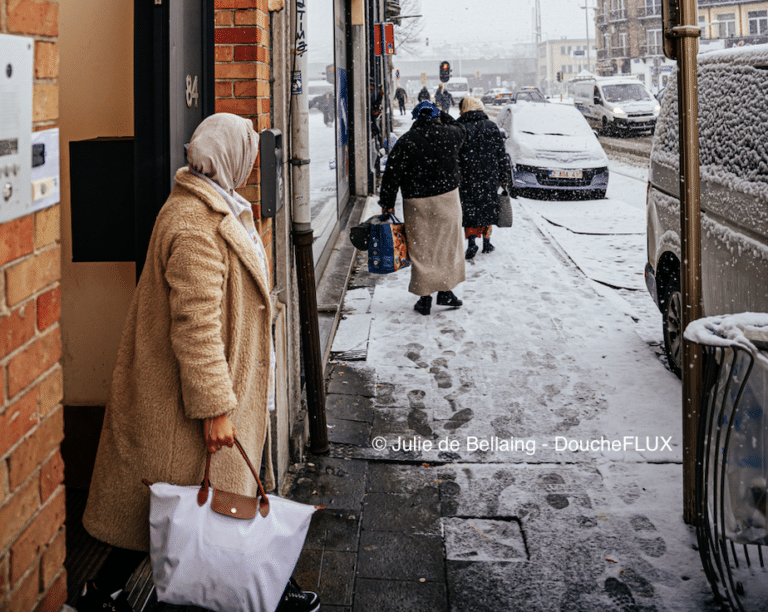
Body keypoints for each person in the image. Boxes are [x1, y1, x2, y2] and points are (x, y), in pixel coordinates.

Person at [78, 114, 319, 612]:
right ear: (228, 156)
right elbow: (196, 325)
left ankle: (100, 594)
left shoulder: (214, 206)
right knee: (209, 503)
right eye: (248, 153)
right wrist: (215, 408)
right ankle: (272, 588)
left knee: (167, 506)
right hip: (192, 401)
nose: (253, 164)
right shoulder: (193, 222)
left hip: (200, 393)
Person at [379, 101, 467, 316]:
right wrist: (442, 114)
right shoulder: (450, 135)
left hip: (417, 202)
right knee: (447, 246)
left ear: (416, 119)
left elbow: (392, 174)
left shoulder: (406, 141)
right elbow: (462, 129)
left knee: (422, 248)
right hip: (447, 199)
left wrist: (387, 202)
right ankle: (446, 291)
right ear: (436, 116)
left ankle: (425, 297)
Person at [456, 96, 511, 259]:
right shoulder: (492, 127)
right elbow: (501, 155)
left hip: (467, 177)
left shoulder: (460, 128)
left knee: (470, 208)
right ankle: (487, 242)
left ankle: (472, 242)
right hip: (489, 177)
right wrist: (503, 176)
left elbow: (456, 155)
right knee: (487, 207)